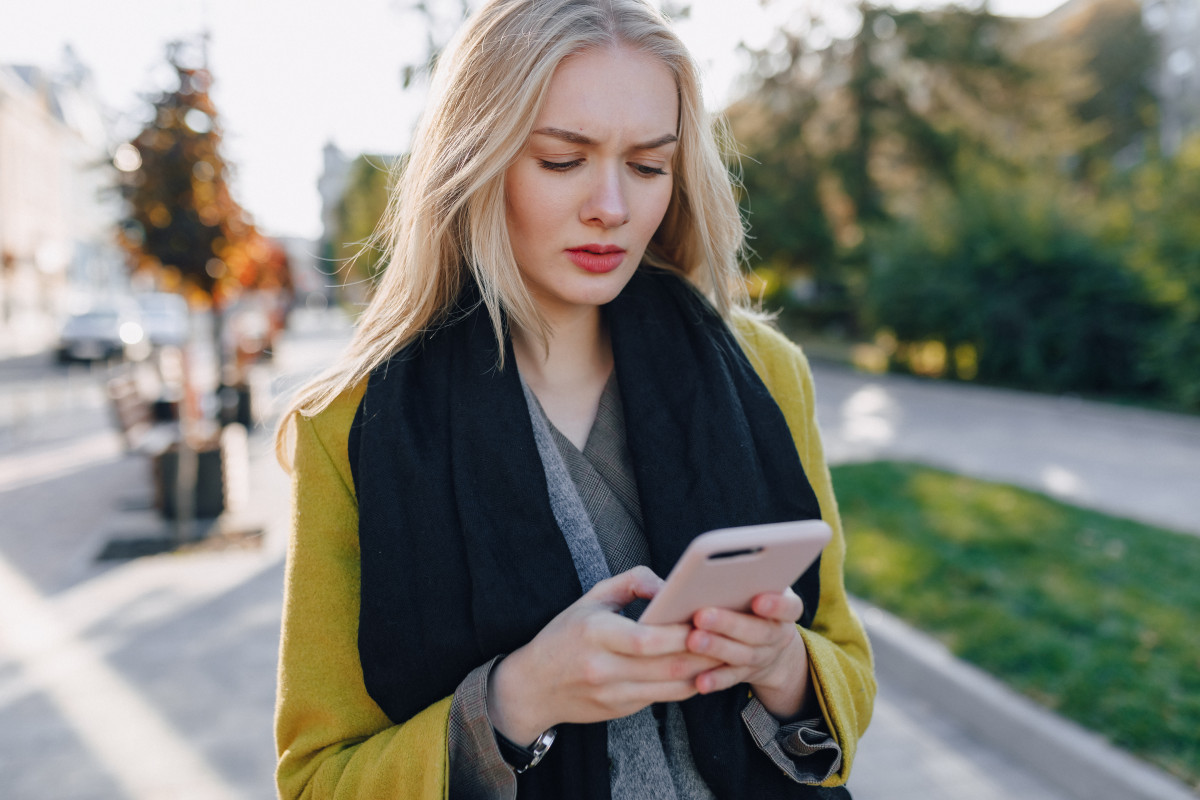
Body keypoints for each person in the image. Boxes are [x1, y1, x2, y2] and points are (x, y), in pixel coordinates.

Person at [273, 0, 875, 797]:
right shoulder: (349, 425)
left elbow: (846, 673)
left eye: (649, 165)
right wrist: (518, 700)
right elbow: (319, 780)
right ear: (475, 159)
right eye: (563, 160)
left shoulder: (764, 372)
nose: (613, 208)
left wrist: (781, 663)